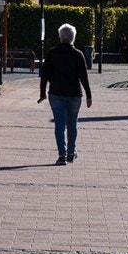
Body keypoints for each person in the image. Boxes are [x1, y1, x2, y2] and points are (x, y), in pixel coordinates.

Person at [37, 23, 92, 165]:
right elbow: (83, 77)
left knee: (60, 124)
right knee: (72, 124)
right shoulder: (78, 55)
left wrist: (42, 92)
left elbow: (44, 75)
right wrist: (89, 95)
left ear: (60, 37)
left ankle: (62, 154)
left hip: (56, 93)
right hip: (74, 94)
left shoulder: (52, 52)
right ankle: (71, 153)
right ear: (73, 37)